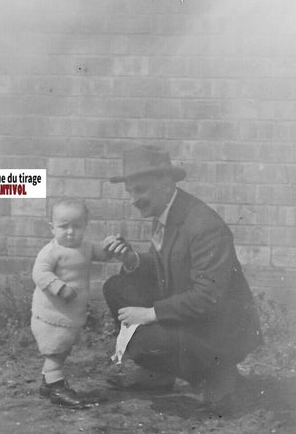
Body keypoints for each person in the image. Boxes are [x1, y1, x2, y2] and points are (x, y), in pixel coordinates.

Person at [103, 145, 263, 413]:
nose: (133, 200)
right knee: (116, 288)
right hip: (196, 318)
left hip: (221, 333)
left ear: (166, 184)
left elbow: (208, 297)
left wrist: (149, 314)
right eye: (130, 192)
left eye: (140, 190)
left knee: (142, 341)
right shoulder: (167, 212)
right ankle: (158, 376)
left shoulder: (204, 225)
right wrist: (132, 259)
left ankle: (220, 378)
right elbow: (169, 266)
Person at [30, 198, 113, 409]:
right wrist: (59, 287)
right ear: (52, 228)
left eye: (77, 227)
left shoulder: (85, 247)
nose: (70, 232)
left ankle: (47, 384)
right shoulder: (51, 252)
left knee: (63, 348)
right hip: (52, 315)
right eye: (63, 227)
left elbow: (101, 254)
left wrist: (111, 247)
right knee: (55, 351)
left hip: (70, 314)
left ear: (85, 226)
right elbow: (40, 273)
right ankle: (57, 387)